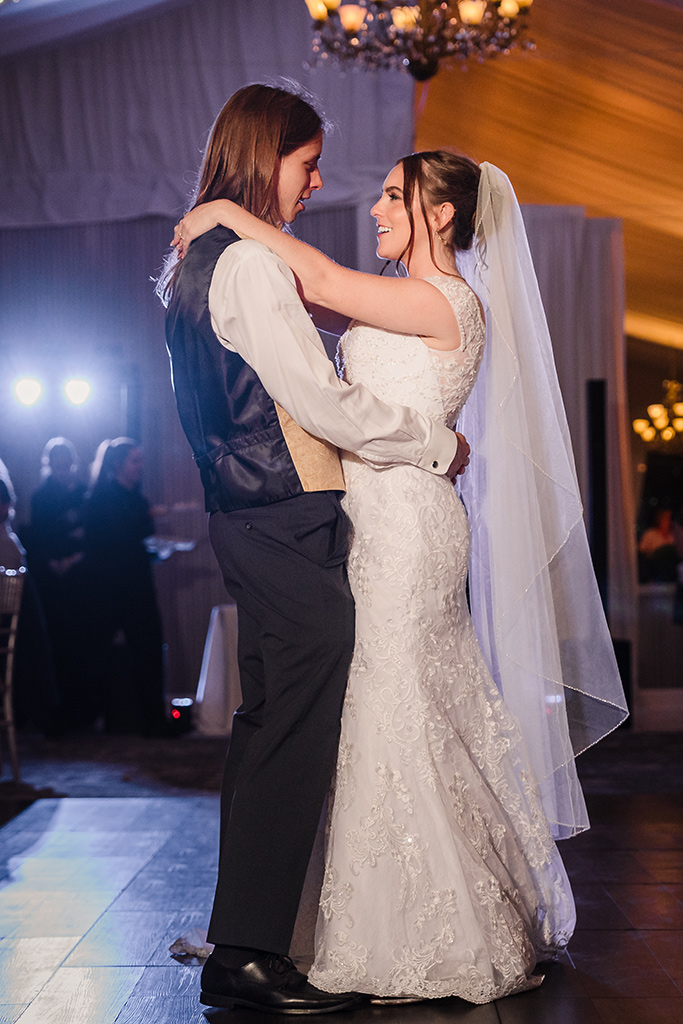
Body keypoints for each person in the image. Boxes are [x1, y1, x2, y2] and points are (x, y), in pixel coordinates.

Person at [173, 149, 628, 1001]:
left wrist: (224, 214)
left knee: (397, 702)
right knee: (375, 706)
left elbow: (314, 276)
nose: (374, 207)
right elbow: (294, 299)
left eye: (392, 196)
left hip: (411, 523)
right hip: (368, 517)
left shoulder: (441, 298)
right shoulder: (394, 306)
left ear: (442, 215)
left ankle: (423, 926)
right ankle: (336, 914)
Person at [159, 84, 469, 1014]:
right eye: (306, 164)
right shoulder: (247, 268)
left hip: (249, 513)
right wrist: (431, 444)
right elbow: (321, 405)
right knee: (287, 730)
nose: (319, 182)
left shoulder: (207, 258)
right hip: (284, 514)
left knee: (271, 728)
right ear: (267, 158)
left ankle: (248, 941)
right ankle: (248, 953)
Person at [84, 438, 167, 736]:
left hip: (136, 585)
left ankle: (153, 720)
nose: (140, 467)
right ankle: (90, 717)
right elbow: (110, 541)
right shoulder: (103, 497)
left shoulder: (136, 498)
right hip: (109, 588)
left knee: (148, 649)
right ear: (118, 463)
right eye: (135, 461)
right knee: (99, 652)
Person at [26, 438, 89, 729]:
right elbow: (41, 540)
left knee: (77, 646)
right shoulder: (44, 496)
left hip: (75, 580)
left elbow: (85, 534)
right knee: (58, 646)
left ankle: (75, 714)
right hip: (54, 582)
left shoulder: (78, 495)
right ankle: (58, 716)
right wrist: (58, 560)